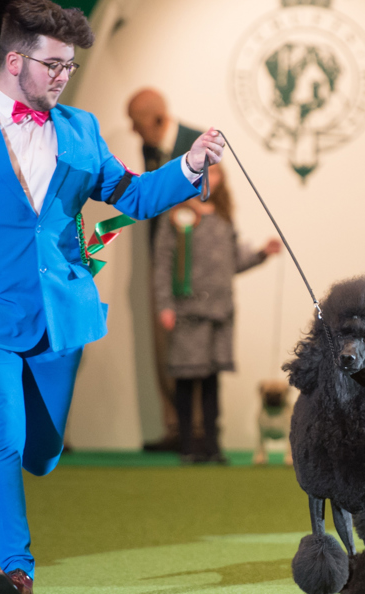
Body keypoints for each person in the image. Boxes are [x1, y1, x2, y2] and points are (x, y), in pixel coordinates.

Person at [0, 0, 224, 594]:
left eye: (69, 67)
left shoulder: (82, 129)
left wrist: (187, 166)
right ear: (13, 60)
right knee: (0, 436)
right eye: (53, 65)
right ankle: (17, 571)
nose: (62, 76)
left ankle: (39, 454)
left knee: (42, 452)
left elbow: (130, 197)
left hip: (60, 317)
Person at [153, 163, 280, 464]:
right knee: (186, 378)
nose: (212, 179)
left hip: (220, 312)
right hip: (187, 310)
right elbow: (162, 264)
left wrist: (262, 253)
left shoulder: (224, 218)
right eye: (207, 173)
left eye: (218, 174)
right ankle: (187, 444)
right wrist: (165, 305)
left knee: (212, 380)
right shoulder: (175, 216)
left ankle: (212, 444)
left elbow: (233, 262)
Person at [127, 88, 202, 453]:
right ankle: (175, 426)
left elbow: (213, 200)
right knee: (163, 346)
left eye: (135, 122)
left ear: (156, 120)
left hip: (195, 265)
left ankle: (199, 428)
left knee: (195, 347)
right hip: (161, 261)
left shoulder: (197, 143)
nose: (132, 130)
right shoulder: (148, 151)